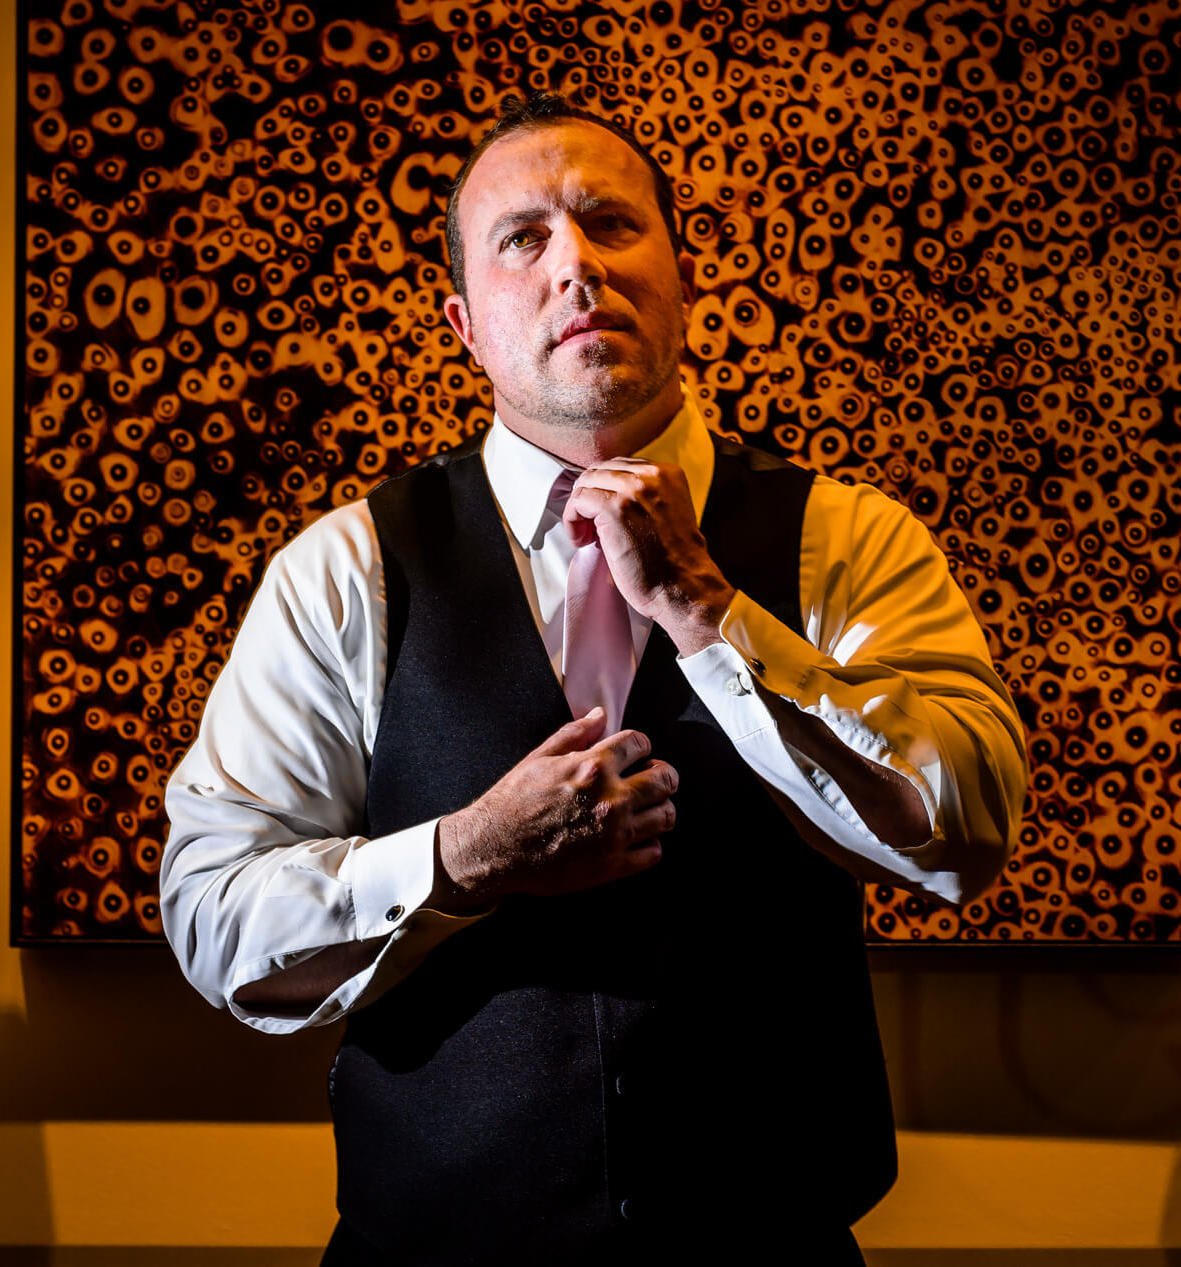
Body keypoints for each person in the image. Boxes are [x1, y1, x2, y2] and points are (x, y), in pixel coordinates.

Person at [160, 92, 1030, 1266]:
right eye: (524, 237)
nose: (575, 262)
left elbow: (963, 831)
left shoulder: (850, 542)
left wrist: (708, 614)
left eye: (611, 225)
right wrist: (462, 855)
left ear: (681, 283)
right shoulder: (344, 570)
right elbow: (215, 920)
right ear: (465, 324)